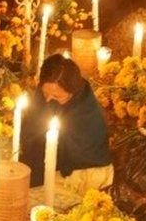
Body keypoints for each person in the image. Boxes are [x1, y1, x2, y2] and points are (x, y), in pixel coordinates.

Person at [20, 55, 113, 210]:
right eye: (45, 93)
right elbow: (33, 125)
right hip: (50, 161)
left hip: (81, 173)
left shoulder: (85, 113)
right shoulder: (47, 93)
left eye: (56, 96)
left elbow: (75, 155)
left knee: (26, 199)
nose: (49, 100)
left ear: (72, 92)